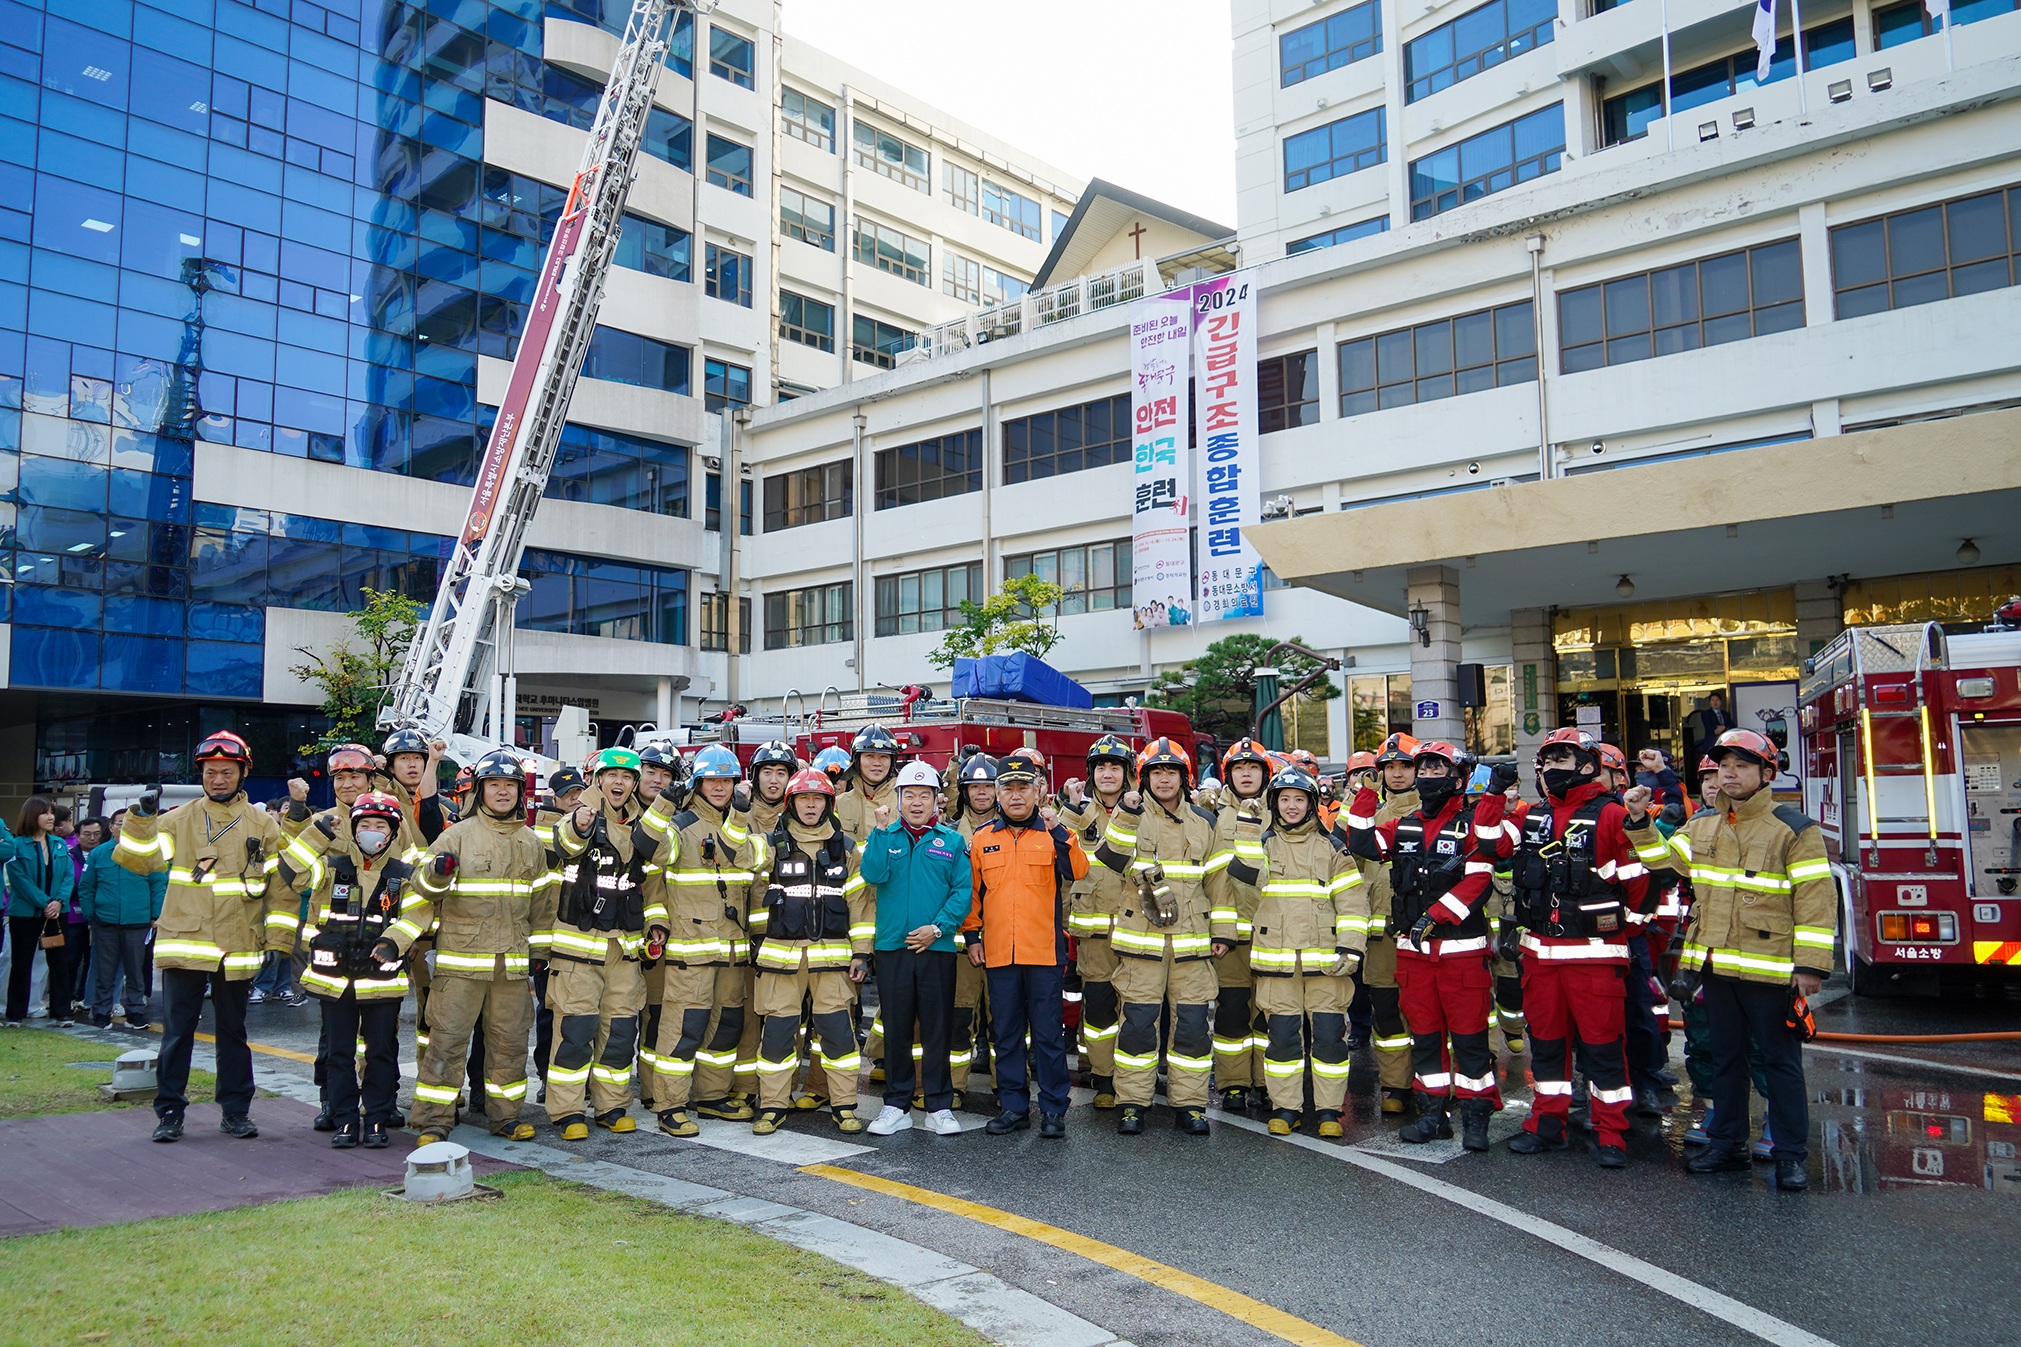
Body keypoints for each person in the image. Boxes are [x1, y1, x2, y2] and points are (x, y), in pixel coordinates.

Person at [1654, 728, 1832, 1191]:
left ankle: (1791, 1155)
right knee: (1726, 1057)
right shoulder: (1703, 824)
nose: (1729, 774)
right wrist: (1638, 821)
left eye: (1741, 765)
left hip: (1770, 969)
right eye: (1723, 766)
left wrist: (1810, 966)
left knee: (1780, 1063)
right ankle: (1726, 1144)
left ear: (1766, 774)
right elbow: (1663, 864)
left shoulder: (1793, 828)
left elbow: (1815, 899)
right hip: (1714, 966)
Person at [117, 732, 295, 1143]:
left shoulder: (263, 823)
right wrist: (141, 820)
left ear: (243, 772)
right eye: (211, 772)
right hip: (185, 944)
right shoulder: (176, 819)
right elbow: (139, 862)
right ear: (201, 774)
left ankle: (236, 1112)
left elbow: (282, 887)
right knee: (177, 1033)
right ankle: (169, 1114)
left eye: (226, 772)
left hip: (238, 944)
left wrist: (279, 941)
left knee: (234, 1034)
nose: (218, 779)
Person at [377, 748, 551, 1145]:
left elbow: (542, 904)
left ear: (520, 792)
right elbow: (421, 889)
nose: (503, 792)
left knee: (510, 1045)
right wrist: (437, 874)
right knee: (447, 1042)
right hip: (461, 965)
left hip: (511, 966)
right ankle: (434, 1121)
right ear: (480, 791)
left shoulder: (531, 842)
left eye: (510, 785)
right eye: (495, 785)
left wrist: (539, 954)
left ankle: (505, 1117)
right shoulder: (455, 835)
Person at [1344, 740, 1511, 1149]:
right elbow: (1363, 842)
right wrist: (1366, 792)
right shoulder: (1406, 824)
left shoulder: (1475, 821)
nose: (1430, 778)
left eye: (1439, 770)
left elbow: (1485, 869)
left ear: (1458, 777)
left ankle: (1476, 1119)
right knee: (1425, 1036)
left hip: (1460, 951)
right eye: (1426, 771)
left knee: (1470, 1039)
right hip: (1413, 953)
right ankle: (1433, 1115)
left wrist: (1434, 916)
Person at [1504, 728, 1651, 1168]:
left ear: (1588, 766)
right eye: (1547, 761)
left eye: (1562, 760)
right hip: (1540, 957)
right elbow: (1492, 847)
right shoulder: (1533, 815)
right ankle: (1547, 1124)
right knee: (1546, 1046)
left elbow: (1640, 885)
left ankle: (1612, 1134)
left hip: (1594, 956)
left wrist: (1622, 936)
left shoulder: (1611, 815)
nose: (1552, 769)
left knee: (1603, 1049)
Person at [1225, 766, 1367, 1137]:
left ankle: (1329, 1111)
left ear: (1311, 805)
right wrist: (1245, 824)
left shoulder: (1333, 848)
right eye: (1284, 799)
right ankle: (1286, 1107)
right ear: (1274, 803)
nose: (1291, 806)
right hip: (1278, 964)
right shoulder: (1262, 844)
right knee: (1283, 1040)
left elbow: (1353, 902)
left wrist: (1351, 948)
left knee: (1329, 1040)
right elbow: (1246, 873)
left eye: (1298, 799)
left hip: (1326, 965)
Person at [1094, 737, 1222, 1136]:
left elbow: (1218, 883)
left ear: (1184, 778)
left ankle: (1191, 1105)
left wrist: (1224, 933)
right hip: (1141, 943)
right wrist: (1128, 815)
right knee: (1136, 1025)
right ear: (1143, 777)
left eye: (1171, 772)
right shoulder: (1126, 813)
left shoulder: (1205, 821)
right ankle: (1132, 1103)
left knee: (1192, 1027)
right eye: (1155, 772)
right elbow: (1111, 858)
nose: (1163, 779)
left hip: (1194, 943)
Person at [547, 748, 675, 1141]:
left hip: (625, 952)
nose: (619, 783)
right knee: (574, 1033)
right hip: (578, 952)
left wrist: (656, 924)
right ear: (597, 779)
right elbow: (562, 846)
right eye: (611, 776)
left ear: (635, 784)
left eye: (627, 777)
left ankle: (612, 1105)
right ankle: (567, 1111)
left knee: (620, 1034)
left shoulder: (647, 826)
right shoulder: (579, 815)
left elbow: (653, 884)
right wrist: (580, 827)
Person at [643, 744, 766, 1133]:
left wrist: (741, 816)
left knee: (725, 1027)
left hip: (732, 949)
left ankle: (711, 1098)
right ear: (697, 782)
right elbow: (648, 849)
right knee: (683, 1030)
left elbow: (752, 861)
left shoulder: (746, 824)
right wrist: (664, 804)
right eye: (711, 780)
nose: (719, 787)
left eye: (726, 780)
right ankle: (669, 1106)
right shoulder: (680, 825)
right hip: (691, 951)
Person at [965, 750, 1087, 1138]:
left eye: (1024, 788)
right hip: (1000, 952)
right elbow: (973, 897)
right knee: (1006, 1033)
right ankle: (1014, 1106)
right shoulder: (983, 839)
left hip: (1044, 952)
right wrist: (971, 937)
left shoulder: (1054, 834)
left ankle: (1053, 1110)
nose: (1016, 796)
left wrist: (1058, 831)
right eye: (1008, 789)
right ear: (997, 794)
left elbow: (1079, 870)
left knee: (1049, 1036)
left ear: (1038, 791)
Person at [749, 767, 869, 1135]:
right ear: (791, 803)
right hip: (780, 959)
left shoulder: (847, 849)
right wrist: (757, 942)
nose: (811, 805)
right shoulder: (770, 844)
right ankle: (772, 1106)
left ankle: (845, 1106)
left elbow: (861, 905)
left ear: (829, 803)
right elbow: (754, 895)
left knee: (838, 1035)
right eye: (804, 798)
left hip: (831, 960)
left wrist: (861, 953)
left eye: (818, 799)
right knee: (778, 1035)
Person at [289, 792, 413, 1149]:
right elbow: (293, 874)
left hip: (381, 980)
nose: (372, 831)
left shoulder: (403, 874)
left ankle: (376, 1119)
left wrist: (394, 941)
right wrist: (318, 834)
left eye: (380, 825)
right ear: (353, 829)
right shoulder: (331, 866)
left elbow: (419, 912)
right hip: (335, 979)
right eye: (364, 825)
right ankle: (344, 1119)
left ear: (392, 832)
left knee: (380, 1053)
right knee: (339, 1052)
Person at [860, 760, 972, 1136]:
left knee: (937, 1029)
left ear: (938, 800)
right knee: (896, 1029)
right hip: (893, 948)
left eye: (926, 795)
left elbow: (962, 892)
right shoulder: (884, 836)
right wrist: (877, 831)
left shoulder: (951, 841)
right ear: (899, 799)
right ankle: (896, 1105)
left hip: (936, 950)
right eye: (910, 795)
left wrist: (938, 928)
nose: (918, 802)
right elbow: (873, 875)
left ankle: (939, 1106)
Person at [1338, 733, 1421, 1115]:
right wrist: (1357, 802)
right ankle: (1395, 1085)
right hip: (1381, 934)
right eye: (1390, 767)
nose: (1398, 773)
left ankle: (1436, 1083)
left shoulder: (1434, 809)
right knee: (1386, 1011)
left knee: (1426, 1011)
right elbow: (1346, 853)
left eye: (1405, 765)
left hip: (1426, 930)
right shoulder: (1369, 813)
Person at [1057, 736, 1133, 1111]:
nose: (1107, 773)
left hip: (1137, 929)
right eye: (1100, 767)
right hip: (1091, 933)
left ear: (1127, 773)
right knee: (1100, 1010)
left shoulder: (1142, 809)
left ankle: (1133, 1080)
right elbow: (1057, 859)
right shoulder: (1078, 813)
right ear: (1091, 773)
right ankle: (1104, 1079)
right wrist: (1070, 808)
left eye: (1114, 767)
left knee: (1135, 1009)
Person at [728, 741, 796, 1107]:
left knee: (789, 1018)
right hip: (747, 933)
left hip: (793, 932)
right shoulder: (738, 814)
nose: (773, 780)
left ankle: (784, 1088)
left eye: (781, 773)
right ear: (753, 777)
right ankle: (746, 1088)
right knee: (749, 1014)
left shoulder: (802, 812)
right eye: (767, 772)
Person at [1206, 738, 1271, 1114]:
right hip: (1229, 936)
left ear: (1265, 773)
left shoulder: (1282, 808)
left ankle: (1264, 1082)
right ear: (1228, 774)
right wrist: (1220, 932)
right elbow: (1211, 880)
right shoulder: (1212, 815)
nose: (1246, 774)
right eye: (1239, 768)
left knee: (1267, 1015)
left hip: (1271, 933)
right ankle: (1232, 1084)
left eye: (1254, 768)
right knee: (1231, 1013)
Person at [944, 752, 1005, 1105]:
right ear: (963, 791)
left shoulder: (1014, 828)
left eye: (988, 786)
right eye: (974, 787)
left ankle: (1007, 1085)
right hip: (958, 948)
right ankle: (953, 1086)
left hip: (1002, 941)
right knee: (958, 1018)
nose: (981, 793)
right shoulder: (948, 834)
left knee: (1006, 1021)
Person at [80, 809, 164, 1029]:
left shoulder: (148, 853)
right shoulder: (99, 853)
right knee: (104, 971)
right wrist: (91, 915)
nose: (123, 827)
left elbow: (158, 885)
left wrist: (156, 915)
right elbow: (87, 886)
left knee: (136, 971)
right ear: (111, 827)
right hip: (105, 922)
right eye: (119, 823)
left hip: (138, 922)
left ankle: (135, 1012)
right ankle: (101, 1013)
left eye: (129, 823)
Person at [7, 798, 75, 1025]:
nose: (50, 817)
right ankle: (15, 1014)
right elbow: (19, 880)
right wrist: (45, 902)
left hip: (57, 912)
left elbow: (68, 876)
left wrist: (58, 901)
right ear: (31, 815)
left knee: (59, 962)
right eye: (45, 813)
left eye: (52, 813)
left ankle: (61, 1012)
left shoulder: (59, 844)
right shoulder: (17, 845)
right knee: (21, 963)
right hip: (26, 914)